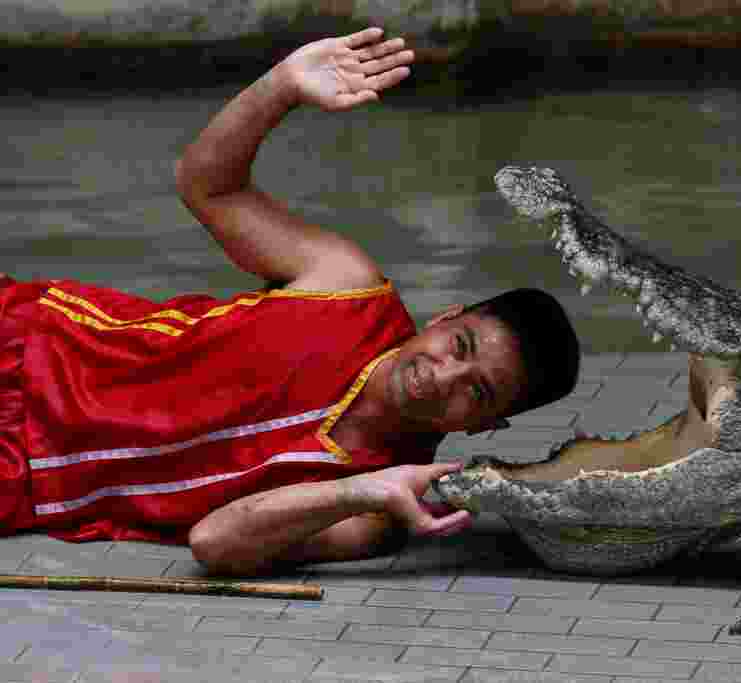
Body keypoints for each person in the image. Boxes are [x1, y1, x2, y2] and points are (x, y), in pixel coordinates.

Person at [0, 28, 579, 576]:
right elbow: (209, 186)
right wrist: (280, 88)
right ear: (447, 317)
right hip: (28, 340)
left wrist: (358, 491)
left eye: (476, 391)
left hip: (25, 473)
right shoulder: (345, 284)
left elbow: (215, 543)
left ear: (484, 426)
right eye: (460, 345)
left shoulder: (376, 511)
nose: (443, 375)